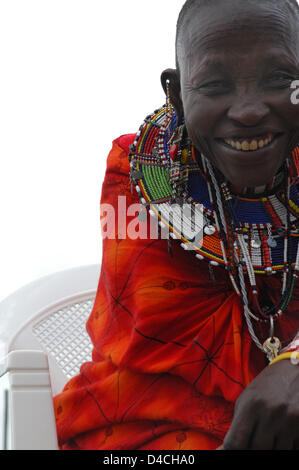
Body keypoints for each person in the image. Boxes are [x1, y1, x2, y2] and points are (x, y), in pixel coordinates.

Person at [54, 0, 299, 450]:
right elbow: (159, 331)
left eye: (280, 78)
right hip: (146, 430)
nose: (248, 110)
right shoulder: (138, 170)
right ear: (176, 91)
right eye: (215, 84)